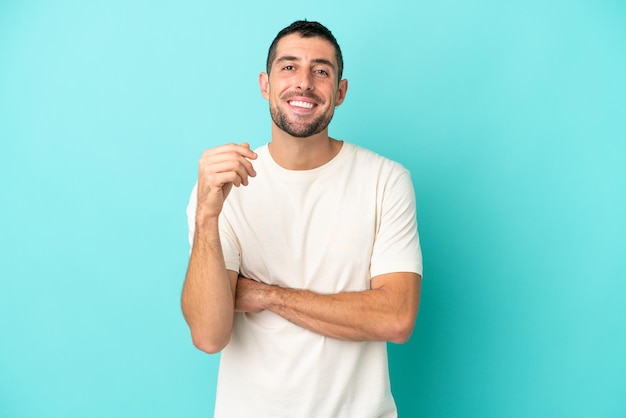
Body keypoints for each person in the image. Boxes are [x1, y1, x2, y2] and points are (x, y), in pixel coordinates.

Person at [181, 20, 423, 417]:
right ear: (265, 84)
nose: (304, 83)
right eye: (289, 67)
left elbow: (396, 317)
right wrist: (208, 216)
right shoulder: (222, 188)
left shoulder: (385, 180)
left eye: (321, 71)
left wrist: (266, 294)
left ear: (340, 92)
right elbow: (209, 335)